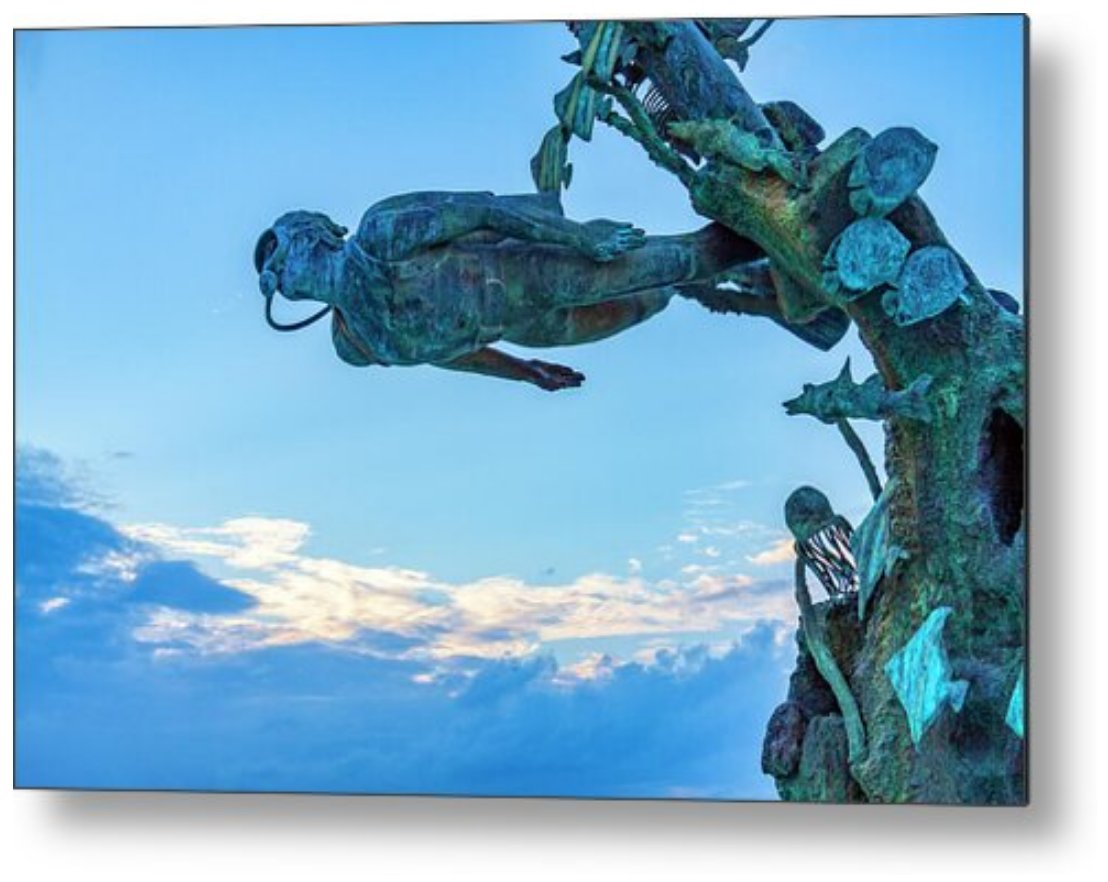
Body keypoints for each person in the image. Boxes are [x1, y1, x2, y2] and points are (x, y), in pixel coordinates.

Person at [254, 190, 763, 390]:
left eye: (278, 258)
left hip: (534, 268)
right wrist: (526, 372)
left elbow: (484, 212)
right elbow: (447, 354)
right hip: (532, 328)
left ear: (309, 235)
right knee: (649, 302)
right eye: (276, 282)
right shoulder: (356, 345)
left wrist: (580, 237)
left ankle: (781, 229)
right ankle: (734, 285)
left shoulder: (380, 236)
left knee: (681, 258)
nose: (282, 280)